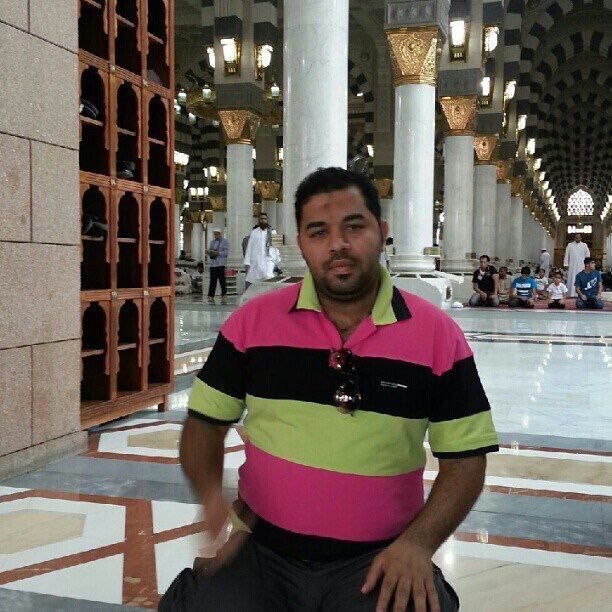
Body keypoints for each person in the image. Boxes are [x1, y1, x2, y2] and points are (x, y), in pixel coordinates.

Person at [162, 167, 498, 612]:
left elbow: (465, 460)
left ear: (382, 232)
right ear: (300, 243)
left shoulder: (436, 334)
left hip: (378, 558)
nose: (337, 244)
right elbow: (204, 423)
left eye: (354, 227)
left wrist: (418, 544)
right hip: (261, 550)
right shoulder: (252, 324)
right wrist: (210, 496)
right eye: (318, 232)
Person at [244, 212, 276, 288]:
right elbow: (250, 247)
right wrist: (247, 262)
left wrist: (277, 261)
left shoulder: (273, 232)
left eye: (265, 219)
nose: (263, 220)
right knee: (255, 284)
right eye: (261, 219)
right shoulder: (254, 232)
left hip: (268, 261)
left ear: (267, 220)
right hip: (256, 262)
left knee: (268, 281)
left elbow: (277, 248)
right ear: (258, 220)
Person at [206, 229, 229, 304]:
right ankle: (210, 296)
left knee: (222, 281)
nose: (216, 235)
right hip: (213, 264)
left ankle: (224, 295)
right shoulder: (212, 242)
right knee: (212, 281)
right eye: (215, 234)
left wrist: (218, 253)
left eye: (217, 234)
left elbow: (226, 252)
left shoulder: (224, 242)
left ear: (220, 234)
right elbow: (210, 250)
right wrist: (209, 252)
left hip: (220, 264)